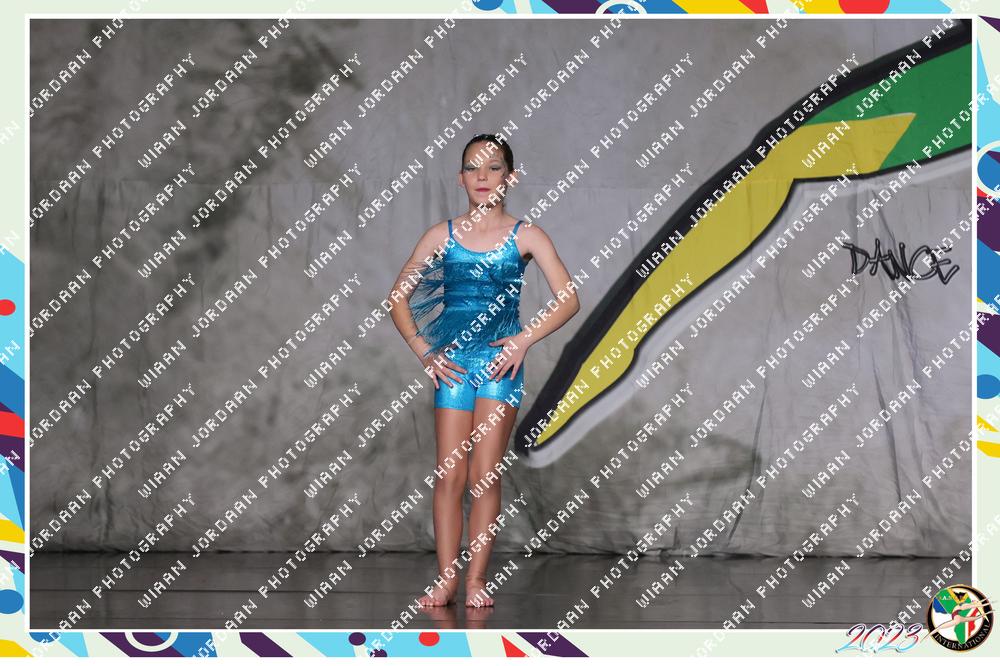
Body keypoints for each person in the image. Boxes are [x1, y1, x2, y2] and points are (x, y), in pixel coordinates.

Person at [388, 133, 580, 607]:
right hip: (453, 368)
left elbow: (569, 299)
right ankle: (446, 581)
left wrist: (523, 339)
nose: (482, 176)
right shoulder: (440, 236)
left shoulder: (527, 236)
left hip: (499, 367)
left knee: (484, 476)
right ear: (460, 178)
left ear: (510, 178)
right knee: (449, 475)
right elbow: (397, 298)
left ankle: (475, 580)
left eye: (494, 168)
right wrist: (424, 351)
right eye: (473, 168)